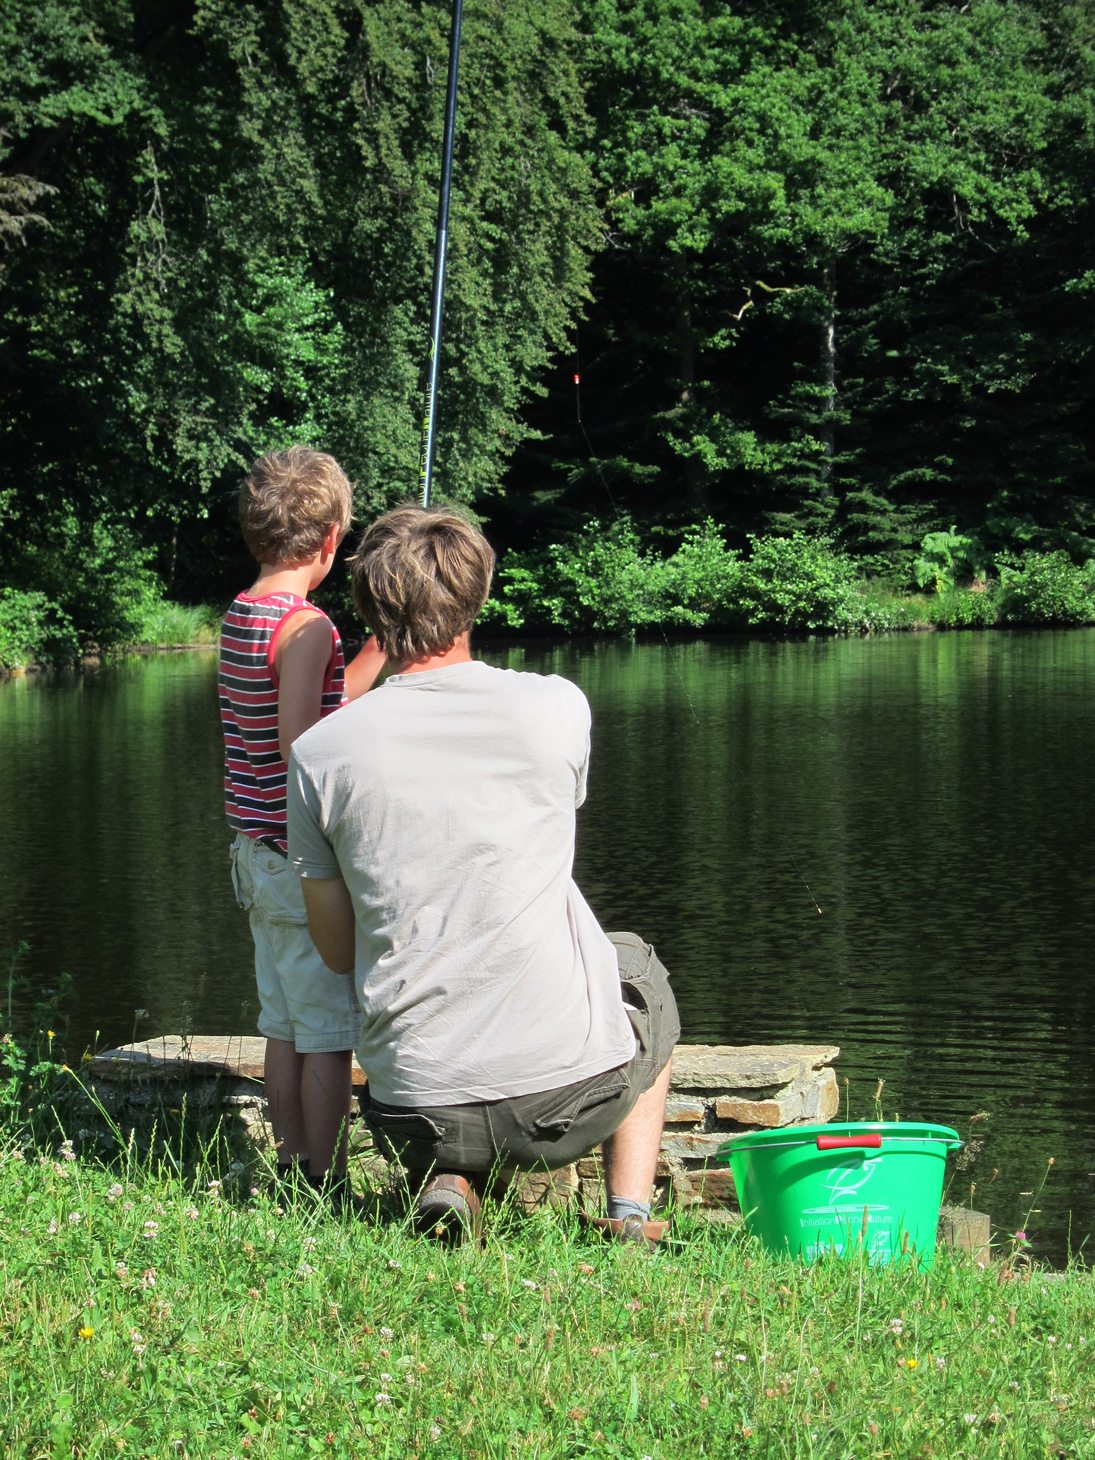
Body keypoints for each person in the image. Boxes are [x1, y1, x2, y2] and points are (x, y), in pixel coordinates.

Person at [286, 504, 679, 1245]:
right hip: (565, 1105)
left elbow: (338, 953)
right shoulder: (556, 707)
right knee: (639, 973)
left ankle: (447, 1173)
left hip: (408, 1112)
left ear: (368, 608)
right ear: (476, 596)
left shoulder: (318, 756)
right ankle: (628, 1215)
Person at [219, 446, 385, 1208]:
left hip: (255, 854)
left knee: (283, 1024)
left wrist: (372, 658)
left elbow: (306, 709)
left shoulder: (244, 613)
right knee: (326, 1032)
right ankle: (324, 1177)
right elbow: (304, 747)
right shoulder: (308, 625)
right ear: (329, 542)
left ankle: (290, 1166)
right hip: (296, 861)